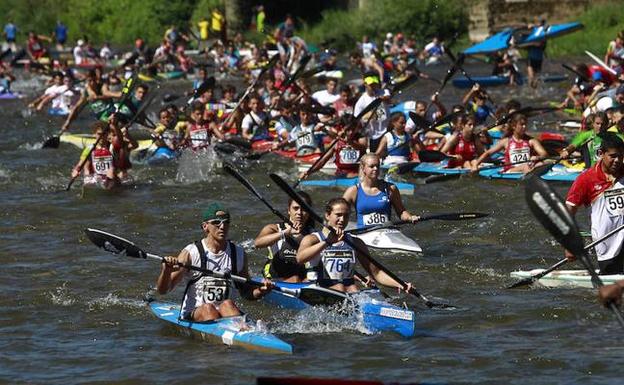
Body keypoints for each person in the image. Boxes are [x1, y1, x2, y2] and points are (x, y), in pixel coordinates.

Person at [157, 203, 273, 322]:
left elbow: (246, 293)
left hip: (226, 312)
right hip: (196, 314)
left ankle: (242, 332)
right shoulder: (191, 253)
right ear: (205, 226)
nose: (222, 226)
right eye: (217, 222)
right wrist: (166, 270)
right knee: (209, 308)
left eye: (226, 222)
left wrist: (261, 291)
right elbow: (163, 290)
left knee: (228, 304)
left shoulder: (238, 253)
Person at [295, 197, 413, 293]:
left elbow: (376, 273)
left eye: (346, 215)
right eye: (338, 215)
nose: (342, 220)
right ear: (327, 215)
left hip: (348, 293)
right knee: (340, 287)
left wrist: (400, 284)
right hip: (319, 291)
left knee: (351, 288)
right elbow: (300, 259)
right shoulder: (312, 239)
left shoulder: (355, 242)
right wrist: (327, 242)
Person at [565, 133, 624, 275]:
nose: (617, 160)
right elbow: (568, 212)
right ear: (600, 154)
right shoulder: (586, 179)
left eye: (621, 156)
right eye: (613, 156)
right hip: (607, 244)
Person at [343, 153, 419, 228]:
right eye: (372, 166)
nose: (375, 169)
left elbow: (401, 212)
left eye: (377, 166)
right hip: (363, 234)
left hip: (385, 232)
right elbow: (338, 210)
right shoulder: (353, 191)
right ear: (363, 168)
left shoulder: (391, 189)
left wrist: (410, 217)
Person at [254, 192, 314, 283]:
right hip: (275, 276)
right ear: (289, 210)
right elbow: (257, 243)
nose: (299, 213)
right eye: (296, 208)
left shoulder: (314, 234)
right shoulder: (274, 228)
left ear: (309, 213)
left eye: (304, 209)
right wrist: (285, 233)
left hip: (301, 278)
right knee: (295, 279)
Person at [473, 113, 548, 174]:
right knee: (525, 166)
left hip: (527, 168)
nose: (524, 127)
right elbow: (488, 153)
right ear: (514, 126)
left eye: (525, 124)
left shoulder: (531, 141)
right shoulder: (506, 141)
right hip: (511, 171)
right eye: (522, 124)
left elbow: (544, 154)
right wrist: (476, 165)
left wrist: (537, 158)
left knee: (541, 164)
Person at [70, 121, 117, 189]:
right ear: (94, 134)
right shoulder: (89, 149)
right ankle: (88, 183)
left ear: (108, 134)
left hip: (110, 177)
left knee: (112, 170)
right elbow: (79, 165)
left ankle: (110, 185)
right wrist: (75, 171)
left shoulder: (112, 147)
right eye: (99, 134)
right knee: (87, 166)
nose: (101, 136)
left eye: (104, 134)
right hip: (95, 178)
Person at [353, 72, 390, 152]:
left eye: (375, 84)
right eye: (371, 85)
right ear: (365, 84)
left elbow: (389, 100)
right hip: (372, 135)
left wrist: (384, 99)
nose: (373, 87)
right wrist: (370, 114)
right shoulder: (361, 102)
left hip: (386, 131)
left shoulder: (384, 92)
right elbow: (356, 119)